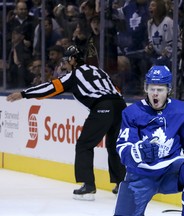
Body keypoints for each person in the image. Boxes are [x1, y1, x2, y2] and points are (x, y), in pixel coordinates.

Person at [6, 45, 126, 200]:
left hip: (103, 106)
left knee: (84, 144)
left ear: (72, 59)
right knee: (113, 145)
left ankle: (88, 187)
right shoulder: (99, 71)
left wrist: (24, 94)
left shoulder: (74, 75)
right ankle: (122, 184)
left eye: (65, 61)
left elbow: (51, 88)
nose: (63, 65)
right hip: (120, 105)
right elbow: (116, 89)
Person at [113, 65, 184, 216]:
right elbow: (123, 148)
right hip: (141, 174)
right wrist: (137, 152)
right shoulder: (131, 113)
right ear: (146, 88)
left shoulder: (181, 110)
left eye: (160, 89)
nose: (155, 94)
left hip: (171, 170)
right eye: (151, 89)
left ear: (168, 90)